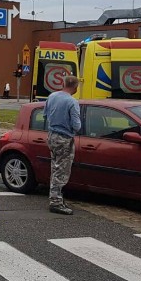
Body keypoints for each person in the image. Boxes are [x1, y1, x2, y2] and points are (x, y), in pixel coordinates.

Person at [43, 75, 81, 215]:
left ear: (63, 84)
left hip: (52, 135)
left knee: (55, 167)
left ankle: (56, 197)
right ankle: (56, 202)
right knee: (62, 170)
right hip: (64, 137)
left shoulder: (52, 97)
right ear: (75, 87)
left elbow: (45, 115)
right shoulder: (72, 102)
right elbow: (76, 125)